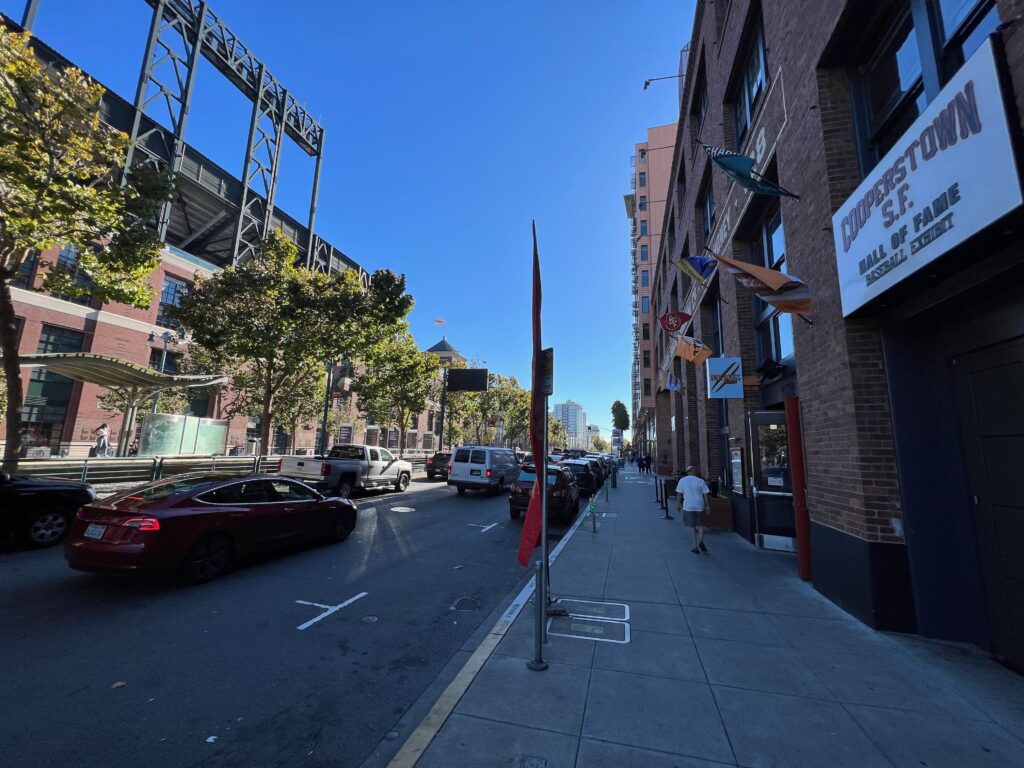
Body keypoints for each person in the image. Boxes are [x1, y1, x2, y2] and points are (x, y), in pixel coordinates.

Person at [676, 465, 710, 554]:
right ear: (696, 472)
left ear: (688, 472)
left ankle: (695, 546)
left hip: (688, 506)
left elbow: (679, 494)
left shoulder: (682, 480)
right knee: (700, 526)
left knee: (692, 526)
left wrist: (678, 504)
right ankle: (701, 541)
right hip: (699, 505)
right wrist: (707, 506)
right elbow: (705, 495)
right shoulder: (701, 481)